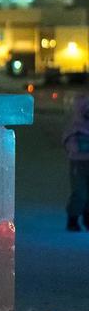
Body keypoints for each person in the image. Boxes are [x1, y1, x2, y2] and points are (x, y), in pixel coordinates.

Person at [62, 96, 89, 231]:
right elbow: (68, 142)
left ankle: (87, 218)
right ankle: (73, 219)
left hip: (81, 161)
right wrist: (78, 147)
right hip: (78, 162)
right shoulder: (76, 126)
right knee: (80, 192)